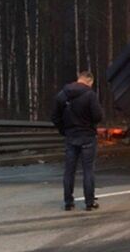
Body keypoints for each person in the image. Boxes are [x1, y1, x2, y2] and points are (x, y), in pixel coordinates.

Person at [51, 71, 103, 211]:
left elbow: (55, 117)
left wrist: (64, 130)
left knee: (69, 171)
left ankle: (68, 202)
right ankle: (89, 202)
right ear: (89, 81)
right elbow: (98, 116)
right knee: (88, 170)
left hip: (71, 137)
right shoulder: (90, 95)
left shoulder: (63, 94)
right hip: (87, 136)